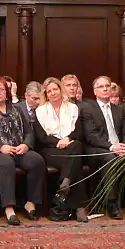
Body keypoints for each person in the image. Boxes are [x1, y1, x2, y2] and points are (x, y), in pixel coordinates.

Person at [0, 76, 45, 225]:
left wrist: (25, 145)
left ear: (7, 92)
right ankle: (9, 208)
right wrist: (1, 146)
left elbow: (29, 132)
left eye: (1, 89)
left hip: (17, 149)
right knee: (6, 163)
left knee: (37, 160)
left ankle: (30, 203)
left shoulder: (17, 108)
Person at [34, 77, 89, 222]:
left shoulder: (72, 108)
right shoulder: (40, 111)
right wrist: (58, 142)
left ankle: (65, 182)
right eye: (49, 91)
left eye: (55, 89)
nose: (53, 93)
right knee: (75, 162)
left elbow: (79, 133)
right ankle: (79, 206)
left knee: (77, 145)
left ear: (60, 90)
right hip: (50, 150)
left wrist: (68, 139)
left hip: (70, 147)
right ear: (45, 94)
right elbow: (41, 137)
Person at [80, 76, 125, 219]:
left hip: (120, 147)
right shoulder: (88, 109)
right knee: (110, 158)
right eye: (101, 86)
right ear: (95, 91)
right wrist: (112, 147)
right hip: (97, 148)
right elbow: (92, 136)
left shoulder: (120, 110)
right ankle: (112, 203)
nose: (105, 89)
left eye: (107, 86)